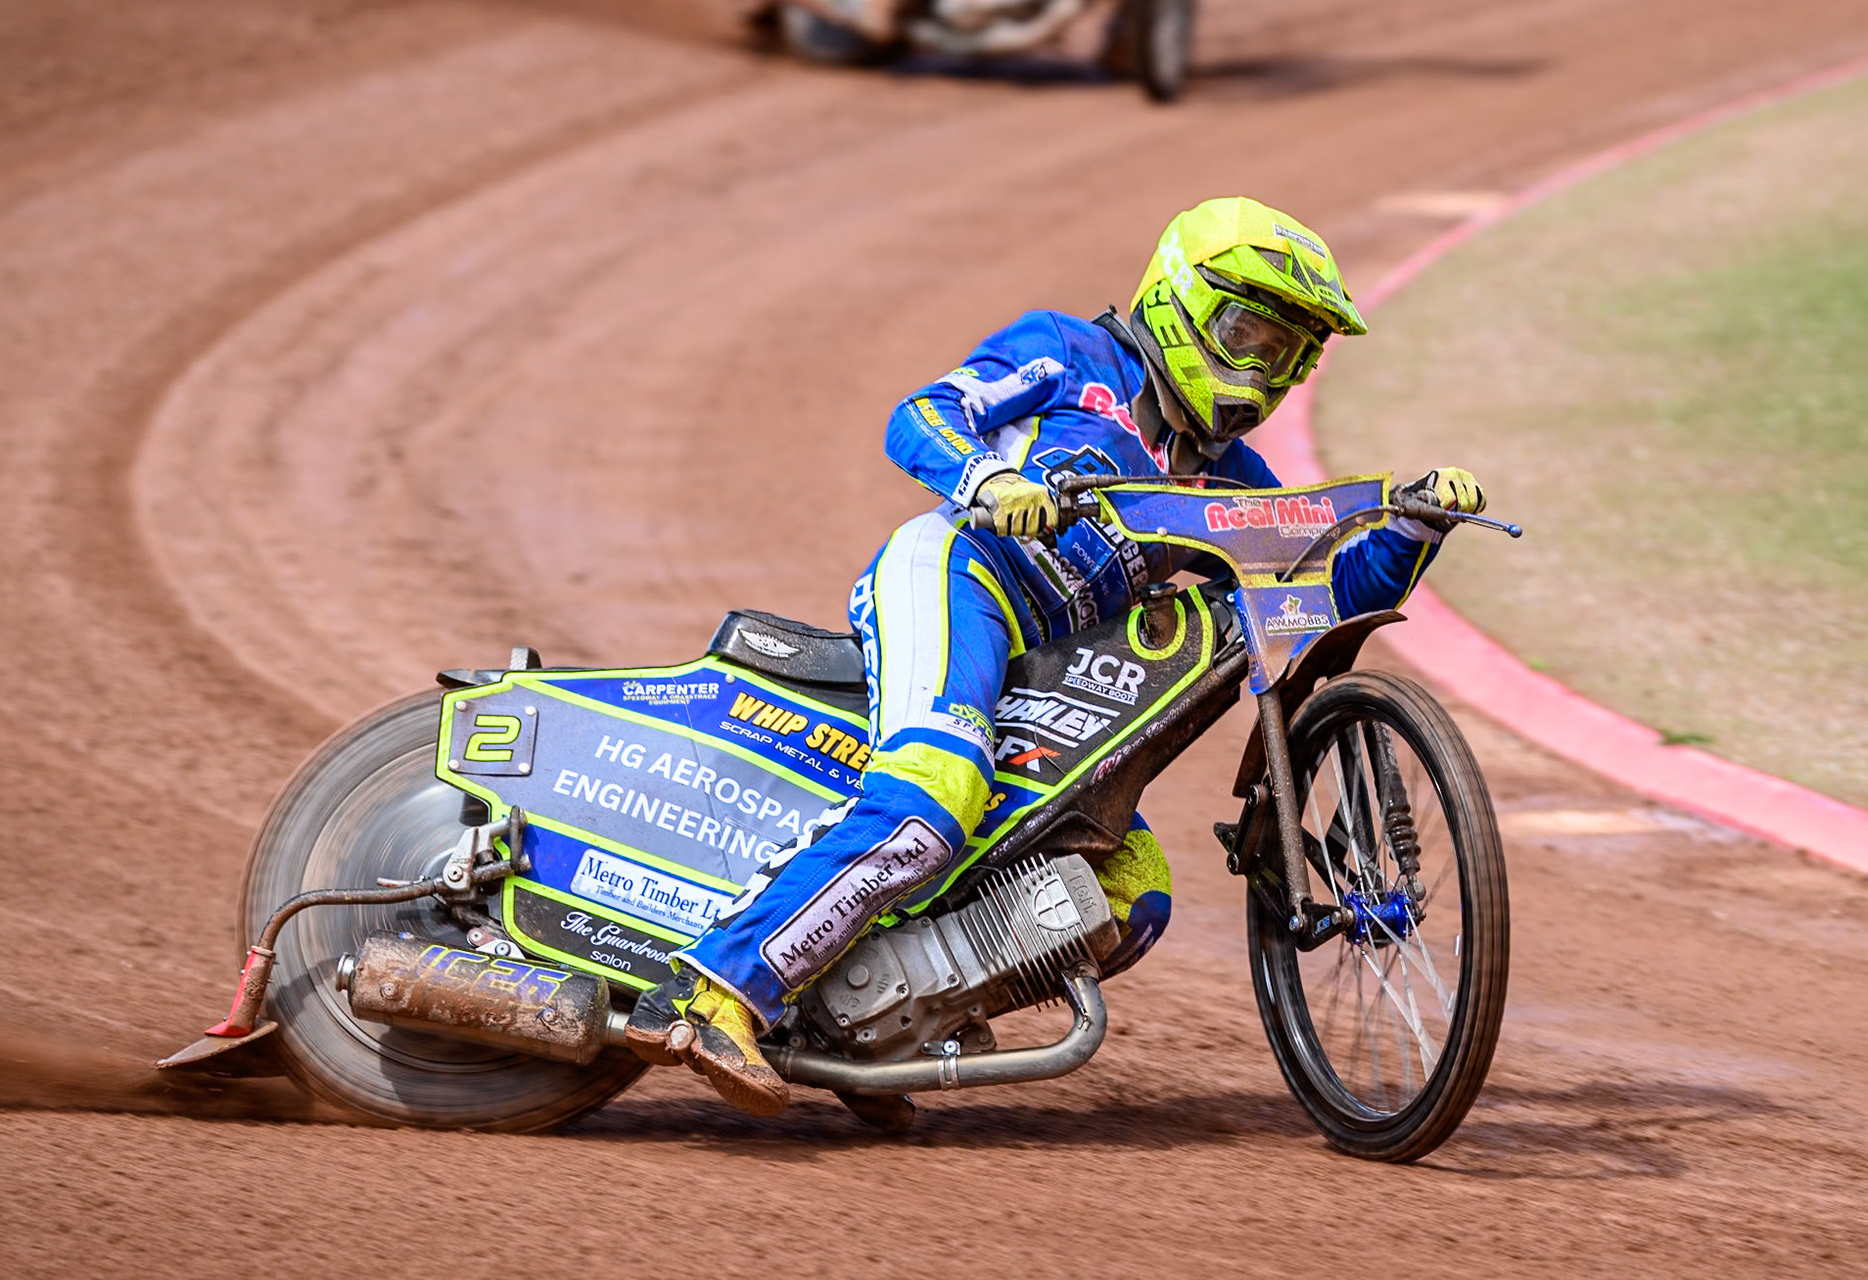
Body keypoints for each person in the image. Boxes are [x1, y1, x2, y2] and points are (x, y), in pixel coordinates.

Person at [625, 196, 1486, 1116]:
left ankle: (874, 1024)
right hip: (958, 578)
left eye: (1288, 355)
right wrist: (987, 477)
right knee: (933, 799)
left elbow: (1316, 594)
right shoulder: (1070, 353)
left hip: (1046, 665)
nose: (1263, 372)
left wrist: (1411, 529)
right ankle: (711, 989)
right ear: (1182, 302)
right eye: (1249, 335)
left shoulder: (1233, 482)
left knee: (1130, 887)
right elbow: (921, 415)